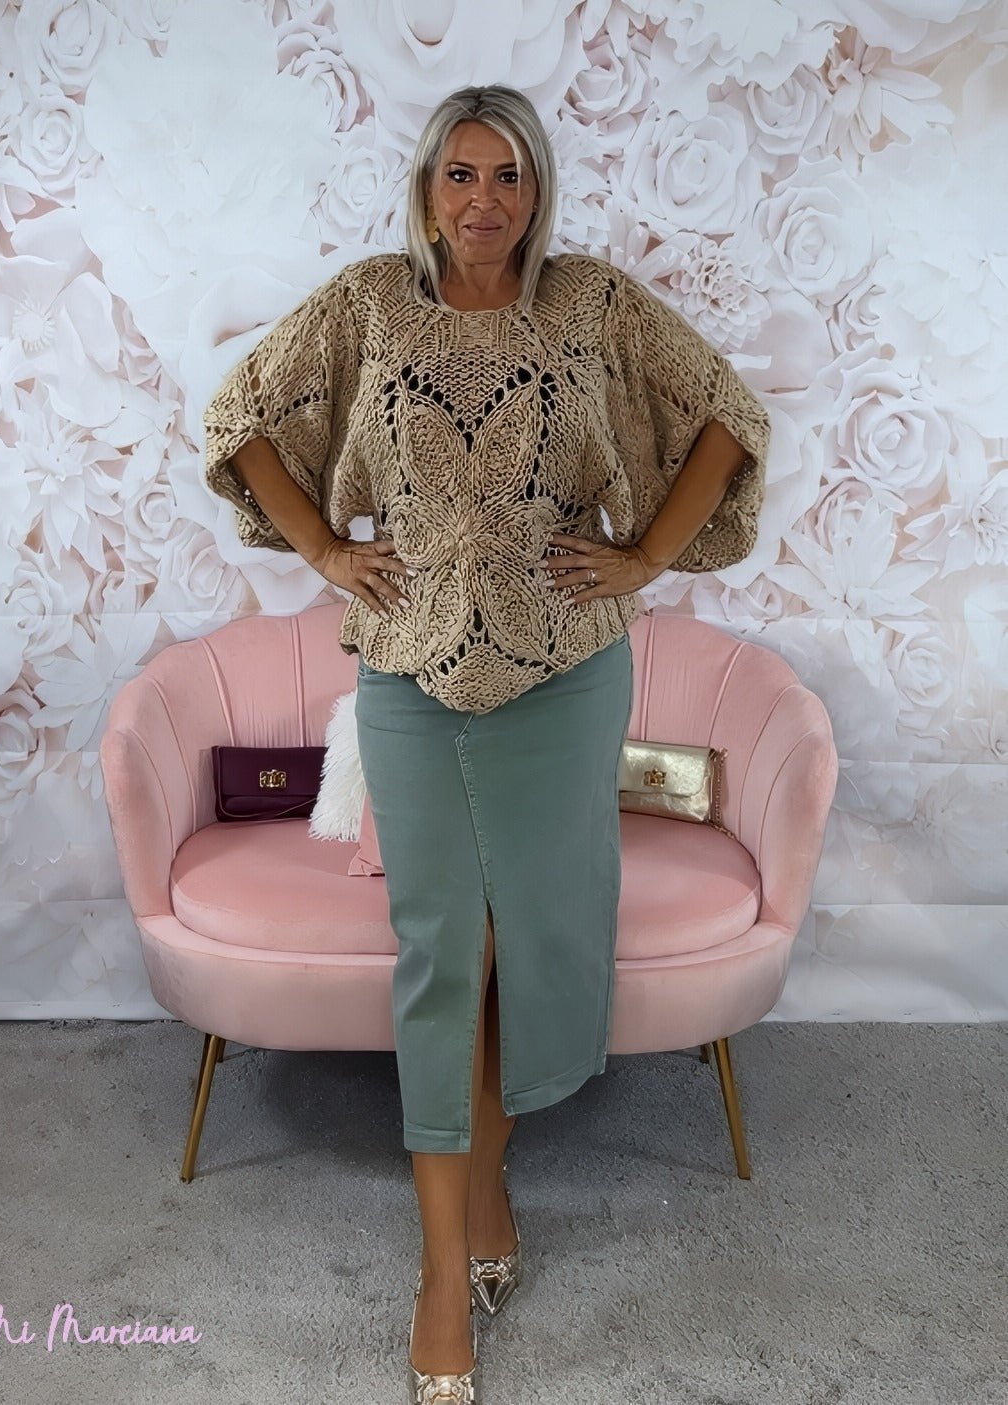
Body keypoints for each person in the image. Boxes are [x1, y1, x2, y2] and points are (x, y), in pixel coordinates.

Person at [203, 83, 770, 1405]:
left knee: (532, 941)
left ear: (536, 191)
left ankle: (491, 1184)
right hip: (409, 673)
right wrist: (326, 549)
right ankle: (439, 1273)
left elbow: (727, 415)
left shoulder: (591, 306)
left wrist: (642, 555)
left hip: (567, 674)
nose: (483, 200)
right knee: (441, 953)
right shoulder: (366, 306)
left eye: (507, 175)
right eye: (459, 174)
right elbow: (241, 419)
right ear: (425, 189)